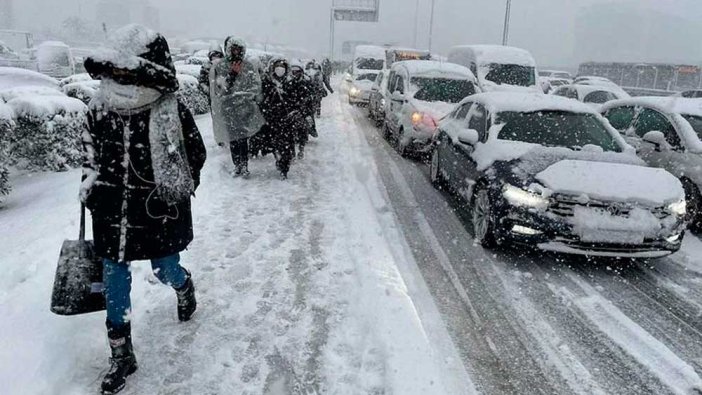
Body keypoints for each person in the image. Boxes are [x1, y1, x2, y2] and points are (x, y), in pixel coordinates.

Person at [81, 24, 207, 395]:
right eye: (116, 70)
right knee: (115, 277)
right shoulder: (99, 107)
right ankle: (121, 354)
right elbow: (89, 155)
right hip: (111, 211)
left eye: (128, 71)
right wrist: (91, 188)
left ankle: (184, 285)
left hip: (156, 210)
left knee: (163, 267)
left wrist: (173, 190)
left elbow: (194, 156)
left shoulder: (170, 109)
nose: (120, 77)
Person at [210, 37, 265, 178]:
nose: (236, 52)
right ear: (229, 50)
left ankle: (244, 166)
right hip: (228, 108)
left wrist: (246, 97)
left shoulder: (248, 66)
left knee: (243, 138)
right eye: (233, 49)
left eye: (238, 49)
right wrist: (232, 75)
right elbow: (220, 88)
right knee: (233, 138)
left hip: (245, 108)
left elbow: (255, 85)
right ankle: (237, 165)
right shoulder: (221, 66)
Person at [260, 57, 295, 179]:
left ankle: (284, 167)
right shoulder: (267, 82)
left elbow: (294, 100)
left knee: (286, 145)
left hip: (286, 120)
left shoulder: (290, 83)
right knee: (274, 144)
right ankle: (278, 159)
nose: (280, 69)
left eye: (282, 67)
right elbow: (262, 99)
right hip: (272, 119)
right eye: (277, 66)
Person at [287, 60, 315, 159]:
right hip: (291, 111)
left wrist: (307, 111)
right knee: (290, 133)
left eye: (297, 71)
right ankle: (292, 152)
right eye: (293, 71)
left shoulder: (306, 82)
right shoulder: (288, 83)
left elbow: (311, 98)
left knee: (303, 131)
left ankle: (301, 149)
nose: (295, 74)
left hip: (304, 111)